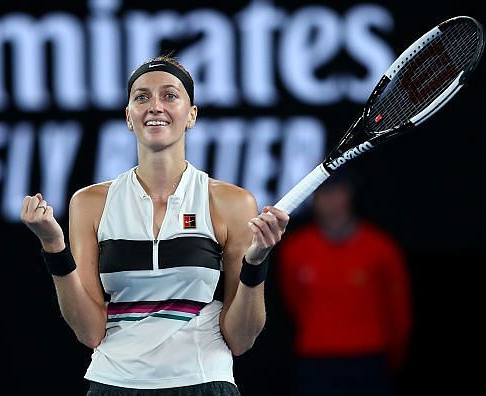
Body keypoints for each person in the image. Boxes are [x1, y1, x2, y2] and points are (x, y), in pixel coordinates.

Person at [20, 55, 290, 395]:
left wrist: (256, 263)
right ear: (128, 117)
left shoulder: (232, 203)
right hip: (114, 383)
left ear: (192, 115)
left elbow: (241, 339)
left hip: (203, 380)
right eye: (142, 97)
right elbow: (89, 332)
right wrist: (53, 248)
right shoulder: (89, 203)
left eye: (170, 95)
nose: (155, 107)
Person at [274, 171, 412, 396]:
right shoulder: (295, 250)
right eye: (321, 193)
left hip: (369, 358)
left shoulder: (381, 248)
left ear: (349, 194)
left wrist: (390, 357)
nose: (328, 200)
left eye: (335, 191)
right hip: (315, 359)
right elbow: (293, 301)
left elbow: (398, 312)